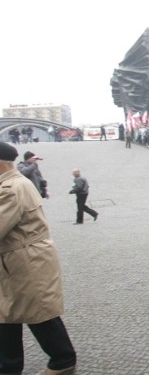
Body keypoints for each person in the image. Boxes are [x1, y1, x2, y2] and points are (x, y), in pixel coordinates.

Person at [0, 142, 77, 375]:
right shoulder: (12, 183)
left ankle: (62, 360)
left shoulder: (10, 188)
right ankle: (9, 366)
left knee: (39, 313)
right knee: (10, 315)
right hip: (19, 259)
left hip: (25, 260)